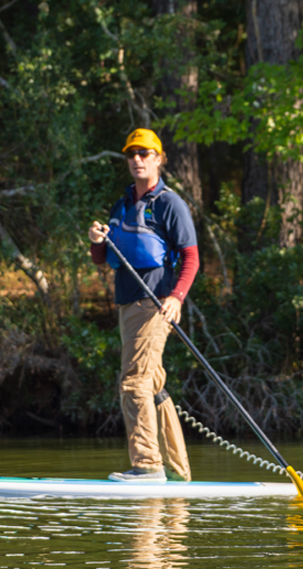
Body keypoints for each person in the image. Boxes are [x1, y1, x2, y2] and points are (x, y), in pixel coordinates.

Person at [87, 128, 199, 482]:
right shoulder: (123, 204)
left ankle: (148, 466)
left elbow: (191, 258)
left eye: (145, 154)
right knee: (151, 382)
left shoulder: (170, 203)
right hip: (127, 305)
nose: (137, 159)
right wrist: (96, 241)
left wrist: (176, 297)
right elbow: (102, 259)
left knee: (133, 381)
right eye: (132, 154)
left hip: (154, 305)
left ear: (159, 159)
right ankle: (178, 470)